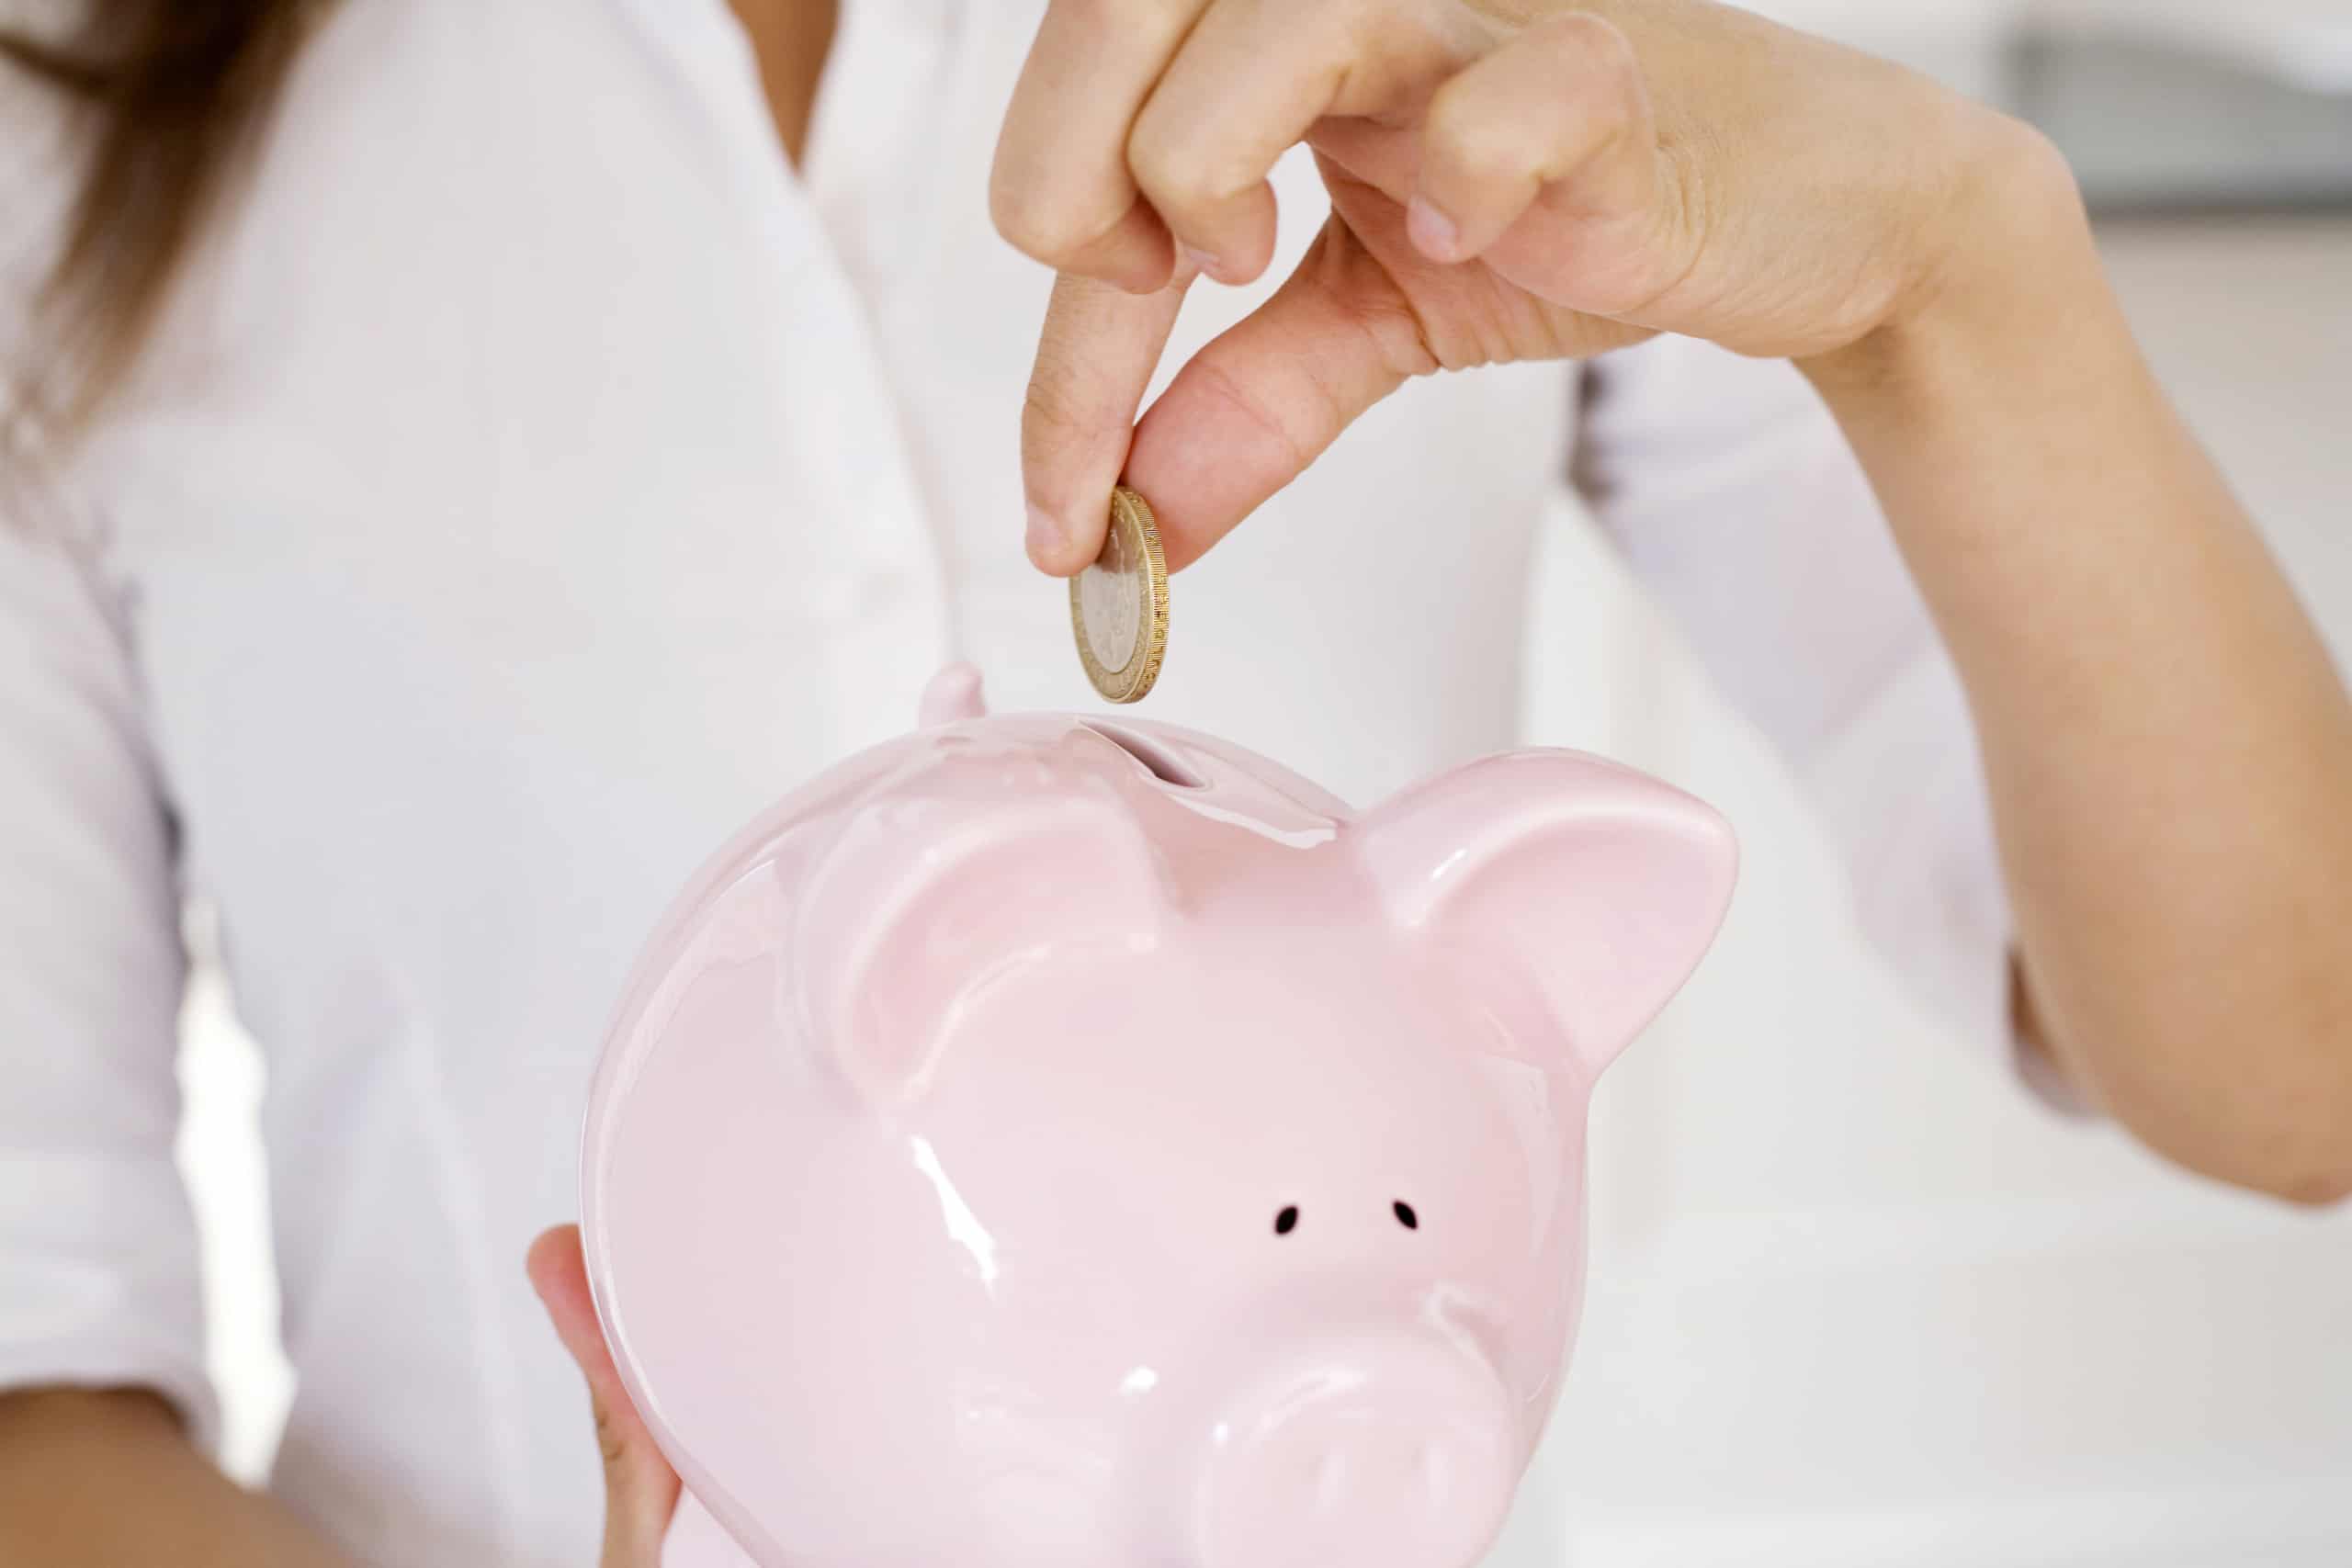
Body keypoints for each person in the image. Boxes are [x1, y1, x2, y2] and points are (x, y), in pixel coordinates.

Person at [0, 1, 2345, 1564]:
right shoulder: (63, 111)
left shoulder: (1489, 54)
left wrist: (1949, 271)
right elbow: (34, 1374)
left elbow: (2295, 1068)